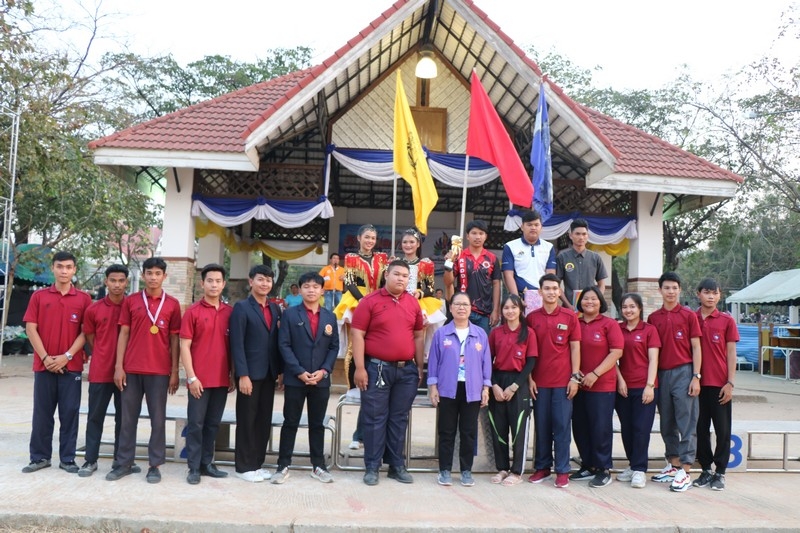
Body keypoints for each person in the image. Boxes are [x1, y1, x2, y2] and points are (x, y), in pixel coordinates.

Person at [107, 257, 182, 484]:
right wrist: (119, 366)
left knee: (157, 420)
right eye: (149, 273)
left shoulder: (172, 304)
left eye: (158, 273)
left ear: (164, 276)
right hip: (131, 369)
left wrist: (174, 371)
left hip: (159, 371)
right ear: (143, 275)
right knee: (127, 419)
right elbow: (124, 334)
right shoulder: (131, 301)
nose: (153, 277)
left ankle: (154, 465)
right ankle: (124, 463)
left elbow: (175, 340)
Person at [350, 260, 424, 486]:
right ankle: (372, 467)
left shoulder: (413, 302)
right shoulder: (369, 301)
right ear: (386, 275)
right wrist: (360, 368)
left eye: (405, 276)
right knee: (374, 417)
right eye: (397, 274)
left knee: (399, 419)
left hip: (406, 371)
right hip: (376, 369)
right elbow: (357, 333)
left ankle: (396, 465)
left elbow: (418, 335)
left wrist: (419, 366)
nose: (401, 279)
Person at [22, 251, 92, 475]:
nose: (64, 271)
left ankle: (67, 459)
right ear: (52, 268)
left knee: (69, 414)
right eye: (60, 266)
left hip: (71, 367)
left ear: (74, 270)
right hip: (44, 366)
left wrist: (66, 356)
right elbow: (30, 328)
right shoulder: (39, 297)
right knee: (42, 414)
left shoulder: (84, 299)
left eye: (68, 267)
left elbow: (86, 332)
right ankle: (40, 457)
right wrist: (45, 358)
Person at [273, 272, 339, 484]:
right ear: (300, 290)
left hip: (321, 380)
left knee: (317, 424)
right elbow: (284, 345)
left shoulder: (329, 317)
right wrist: (299, 371)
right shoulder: (290, 315)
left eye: (315, 286)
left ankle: (318, 466)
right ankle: (283, 465)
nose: (311, 290)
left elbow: (333, 347)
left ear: (322, 291)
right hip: (296, 379)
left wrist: (324, 370)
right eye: (307, 286)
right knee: (290, 422)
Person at [427, 292, 492, 487]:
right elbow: (433, 362)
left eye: (465, 304)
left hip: (472, 390)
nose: (461, 308)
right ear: (451, 308)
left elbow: (486, 363)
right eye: (457, 304)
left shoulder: (480, 334)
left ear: (471, 309)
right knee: (446, 431)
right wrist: (433, 387)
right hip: (447, 389)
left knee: (468, 432)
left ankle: (466, 471)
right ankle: (445, 470)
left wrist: (486, 388)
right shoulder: (441, 334)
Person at [334, 224, 389, 450]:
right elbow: (348, 283)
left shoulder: (383, 258)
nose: (370, 241)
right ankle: (352, 386)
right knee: (354, 346)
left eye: (373, 237)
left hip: (379, 303)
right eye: (367, 237)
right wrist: (366, 301)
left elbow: (385, 281)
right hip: (358, 301)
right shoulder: (351, 258)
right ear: (359, 238)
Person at [179, 263, 234, 485]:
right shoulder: (192, 312)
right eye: (210, 281)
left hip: (221, 380)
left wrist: (232, 374)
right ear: (202, 283)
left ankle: (207, 463)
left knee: (213, 424)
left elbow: (233, 346)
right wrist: (191, 377)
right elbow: (184, 346)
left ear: (224, 284)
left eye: (218, 281)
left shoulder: (230, 313)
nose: (214, 285)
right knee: (196, 424)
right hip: (198, 381)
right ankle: (193, 467)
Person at [647, 271, 702, 492]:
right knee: (667, 422)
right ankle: (674, 464)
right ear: (660, 290)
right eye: (667, 288)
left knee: (686, 421)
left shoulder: (689, 316)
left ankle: (686, 470)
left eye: (674, 288)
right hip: (662, 374)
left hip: (684, 372)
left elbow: (696, 347)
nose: (671, 292)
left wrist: (696, 376)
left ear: (680, 290)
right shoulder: (654, 318)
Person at [79, 264, 136, 477]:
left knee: (124, 419)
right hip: (100, 372)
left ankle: (121, 460)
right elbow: (90, 337)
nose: (117, 285)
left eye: (121, 281)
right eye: (113, 280)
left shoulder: (133, 307)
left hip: (127, 373)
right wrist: (103, 354)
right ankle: (90, 460)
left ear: (127, 282)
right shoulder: (93, 309)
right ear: (106, 281)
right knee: (95, 417)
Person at [525, 273, 581, 488]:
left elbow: (575, 348)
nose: (551, 292)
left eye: (554, 288)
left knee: (562, 427)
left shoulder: (570, 316)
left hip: (562, 383)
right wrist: (530, 378)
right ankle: (542, 468)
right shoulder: (532, 318)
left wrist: (575, 377)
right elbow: (528, 352)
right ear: (540, 292)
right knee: (542, 426)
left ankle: (562, 470)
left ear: (559, 292)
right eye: (546, 288)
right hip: (539, 383)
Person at [229, 264, 283, 483]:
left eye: (268, 280)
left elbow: (276, 342)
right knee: (247, 420)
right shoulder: (241, 308)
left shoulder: (275, 309)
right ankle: (243, 466)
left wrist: (279, 371)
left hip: (269, 373)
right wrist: (242, 375)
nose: (265, 284)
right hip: (249, 375)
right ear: (251, 281)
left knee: (263, 420)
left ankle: (257, 464)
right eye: (260, 279)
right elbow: (237, 343)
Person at [569, 286, 623, 488]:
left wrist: (595, 374)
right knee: (580, 426)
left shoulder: (609, 324)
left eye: (593, 298)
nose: (589, 302)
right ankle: (588, 464)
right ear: (579, 302)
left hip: (602, 386)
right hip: (578, 385)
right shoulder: (575, 322)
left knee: (600, 428)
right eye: (585, 299)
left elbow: (616, 352)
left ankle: (603, 468)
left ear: (601, 302)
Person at [693, 278, 739, 491]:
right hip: (696, 385)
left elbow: (731, 353)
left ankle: (720, 472)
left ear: (720, 295)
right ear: (698, 294)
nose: (711, 296)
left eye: (715, 293)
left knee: (722, 429)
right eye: (706, 292)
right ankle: (705, 469)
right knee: (700, 429)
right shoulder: (691, 319)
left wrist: (730, 383)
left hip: (720, 384)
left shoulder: (726, 321)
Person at [487, 294, 537, 486]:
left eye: (514, 307)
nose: (510, 311)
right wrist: (494, 385)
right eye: (506, 308)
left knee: (518, 429)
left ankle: (516, 472)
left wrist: (515, 386)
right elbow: (487, 362)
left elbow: (531, 362)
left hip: (518, 382)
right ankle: (502, 468)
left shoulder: (528, 333)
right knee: (498, 428)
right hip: (498, 382)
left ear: (521, 310)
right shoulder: (496, 333)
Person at [615, 292, 660, 489]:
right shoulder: (617, 329)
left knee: (641, 429)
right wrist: (620, 381)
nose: (628, 310)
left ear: (640, 308)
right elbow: (613, 358)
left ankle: (640, 469)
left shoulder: (649, 330)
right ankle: (633, 465)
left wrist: (649, 386)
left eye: (632, 306)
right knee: (627, 429)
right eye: (625, 307)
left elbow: (653, 359)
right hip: (623, 388)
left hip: (644, 387)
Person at [443, 220, 501, 334]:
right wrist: (449, 263)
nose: (477, 236)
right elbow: (448, 282)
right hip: (462, 310)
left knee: (481, 343)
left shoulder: (492, 258)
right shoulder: (459, 256)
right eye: (474, 233)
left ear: (486, 236)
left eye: (481, 233)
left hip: (484, 313)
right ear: (467, 236)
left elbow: (496, 284)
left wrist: (496, 310)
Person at [399, 228, 446, 353]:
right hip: (398, 302)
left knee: (418, 338)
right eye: (405, 242)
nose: (408, 245)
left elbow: (430, 288)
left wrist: (420, 293)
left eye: (411, 242)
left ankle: (417, 363)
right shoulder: (395, 263)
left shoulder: (426, 264)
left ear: (418, 244)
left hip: (418, 304)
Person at [502, 210, 556, 316]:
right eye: (529, 225)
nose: (533, 228)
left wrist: (547, 297)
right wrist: (516, 299)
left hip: (542, 297)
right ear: (522, 227)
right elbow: (508, 275)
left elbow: (551, 275)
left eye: (536, 225)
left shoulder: (549, 247)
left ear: (541, 227)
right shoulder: (510, 246)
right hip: (520, 297)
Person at [556, 219, 608, 309]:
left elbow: (602, 285)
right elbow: (556, 285)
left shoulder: (595, 258)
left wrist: (596, 301)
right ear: (571, 235)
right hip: (569, 307)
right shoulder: (562, 257)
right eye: (577, 234)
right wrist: (568, 305)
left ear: (588, 236)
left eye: (584, 234)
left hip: (590, 307)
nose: (581, 237)